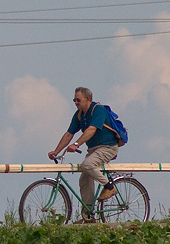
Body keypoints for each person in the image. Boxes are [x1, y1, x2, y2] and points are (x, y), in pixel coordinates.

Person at [48, 87, 119, 223]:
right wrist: (56, 151)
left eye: (78, 100)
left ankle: (109, 187)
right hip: (93, 149)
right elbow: (69, 133)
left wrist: (76, 144)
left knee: (86, 164)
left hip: (107, 147)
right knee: (84, 180)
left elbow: (91, 130)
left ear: (87, 99)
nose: (75, 102)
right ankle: (88, 217)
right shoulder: (79, 115)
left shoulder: (98, 110)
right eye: (74, 100)